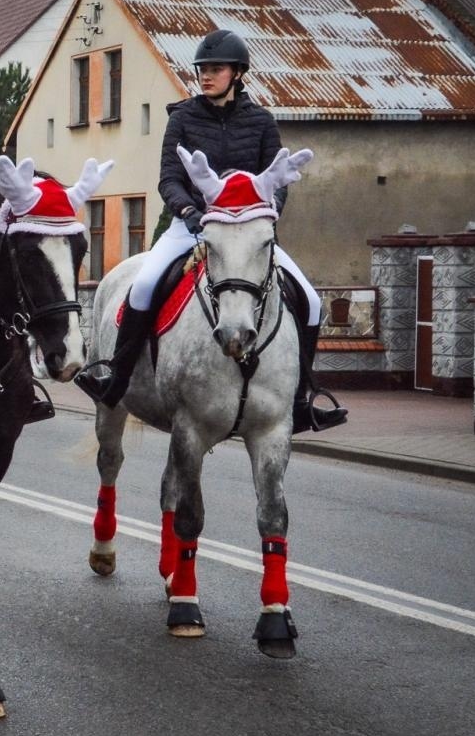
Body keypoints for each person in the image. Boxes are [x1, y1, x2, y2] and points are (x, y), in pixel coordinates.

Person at [73, 29, 346, 434]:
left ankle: (301, 399)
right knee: (143, 286)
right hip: (193, 228)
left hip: (248, 234)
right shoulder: (183, 118)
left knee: (310, 300)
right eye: (202, 69)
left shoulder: (261, 122)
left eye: (215, 69)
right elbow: (169, 178)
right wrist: (188, 210)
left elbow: (278, 183)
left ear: (237, 73)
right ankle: (116, 379)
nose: (205, 76)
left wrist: (265, 217)